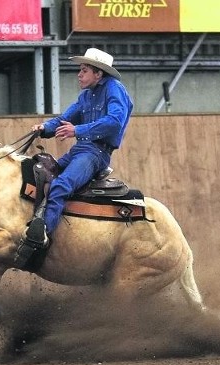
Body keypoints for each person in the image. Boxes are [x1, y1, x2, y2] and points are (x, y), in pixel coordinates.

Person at [23, 47, 134, 249]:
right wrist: (44, 127)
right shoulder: (86, 96)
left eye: (84, 70)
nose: (79, 74)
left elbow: (115, 121)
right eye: (80, 69)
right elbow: (63, 119)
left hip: (96, 154)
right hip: (80, 151)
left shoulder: (114, 88)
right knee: (38, 171)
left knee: (61, 185)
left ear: (98, 73)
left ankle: (41, 235)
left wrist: (78, 130)